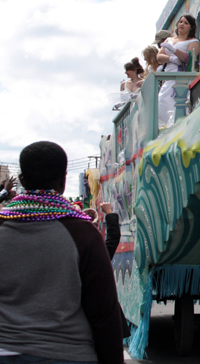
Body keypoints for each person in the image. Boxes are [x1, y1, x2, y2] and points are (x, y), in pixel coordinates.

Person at [0, 141, 123, 363]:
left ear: (22, 180)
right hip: (67, 353)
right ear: (63, 180)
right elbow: (104, 312)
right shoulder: (84, 233)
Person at [157, 15, 200, 127]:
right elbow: (159, 56)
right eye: (180, 22)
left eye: (186, 23)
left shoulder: (193, 42)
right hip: (168, 79)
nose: (182, 24)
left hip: (182, 79)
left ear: (191, 27)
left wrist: (174, 50)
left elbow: (189, 57)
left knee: (178, 107)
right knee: (162, 102)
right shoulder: (169, 39)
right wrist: (171, 58)